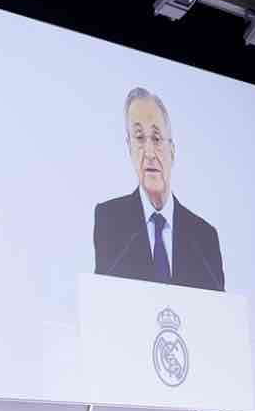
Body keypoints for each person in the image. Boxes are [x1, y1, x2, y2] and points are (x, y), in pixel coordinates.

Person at [93, 87, 224, 291]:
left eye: (156, 138)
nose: (149, 153)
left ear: (172, 151)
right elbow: (103, 297)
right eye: (139, 138)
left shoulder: (204, 238)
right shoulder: (109, 220)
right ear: (129, 148)